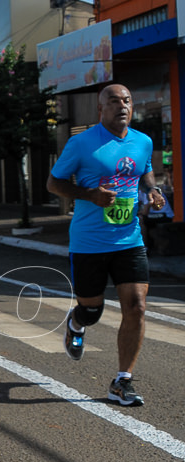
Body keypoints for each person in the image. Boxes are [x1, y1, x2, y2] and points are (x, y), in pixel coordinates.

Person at [47, 84, 166, 407]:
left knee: (137, 306)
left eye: (127, 100)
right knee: (91, 310)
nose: (122, 106)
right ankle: (76, 323)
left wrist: (153, 192)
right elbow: (54, 182)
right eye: (114, 102)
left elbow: (145, 172)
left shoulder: (143, 141)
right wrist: (90, 195)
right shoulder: (82, 143)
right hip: (89, 242)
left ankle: (122, 380)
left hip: (129, 239)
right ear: (101, 109)